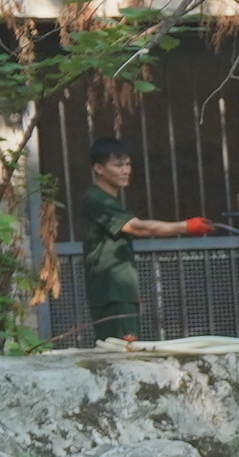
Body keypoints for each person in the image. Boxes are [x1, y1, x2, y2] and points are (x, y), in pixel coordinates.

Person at [64, 135, 208, 344]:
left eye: (128, 164)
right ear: (99, 168)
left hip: (120, 291)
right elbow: (137, 227)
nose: (126, 171)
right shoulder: (97, 199)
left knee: (124, 347)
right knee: (119, 351)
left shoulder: (108, 199)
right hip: (111, 290)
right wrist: (186, 226)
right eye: (118, 165)